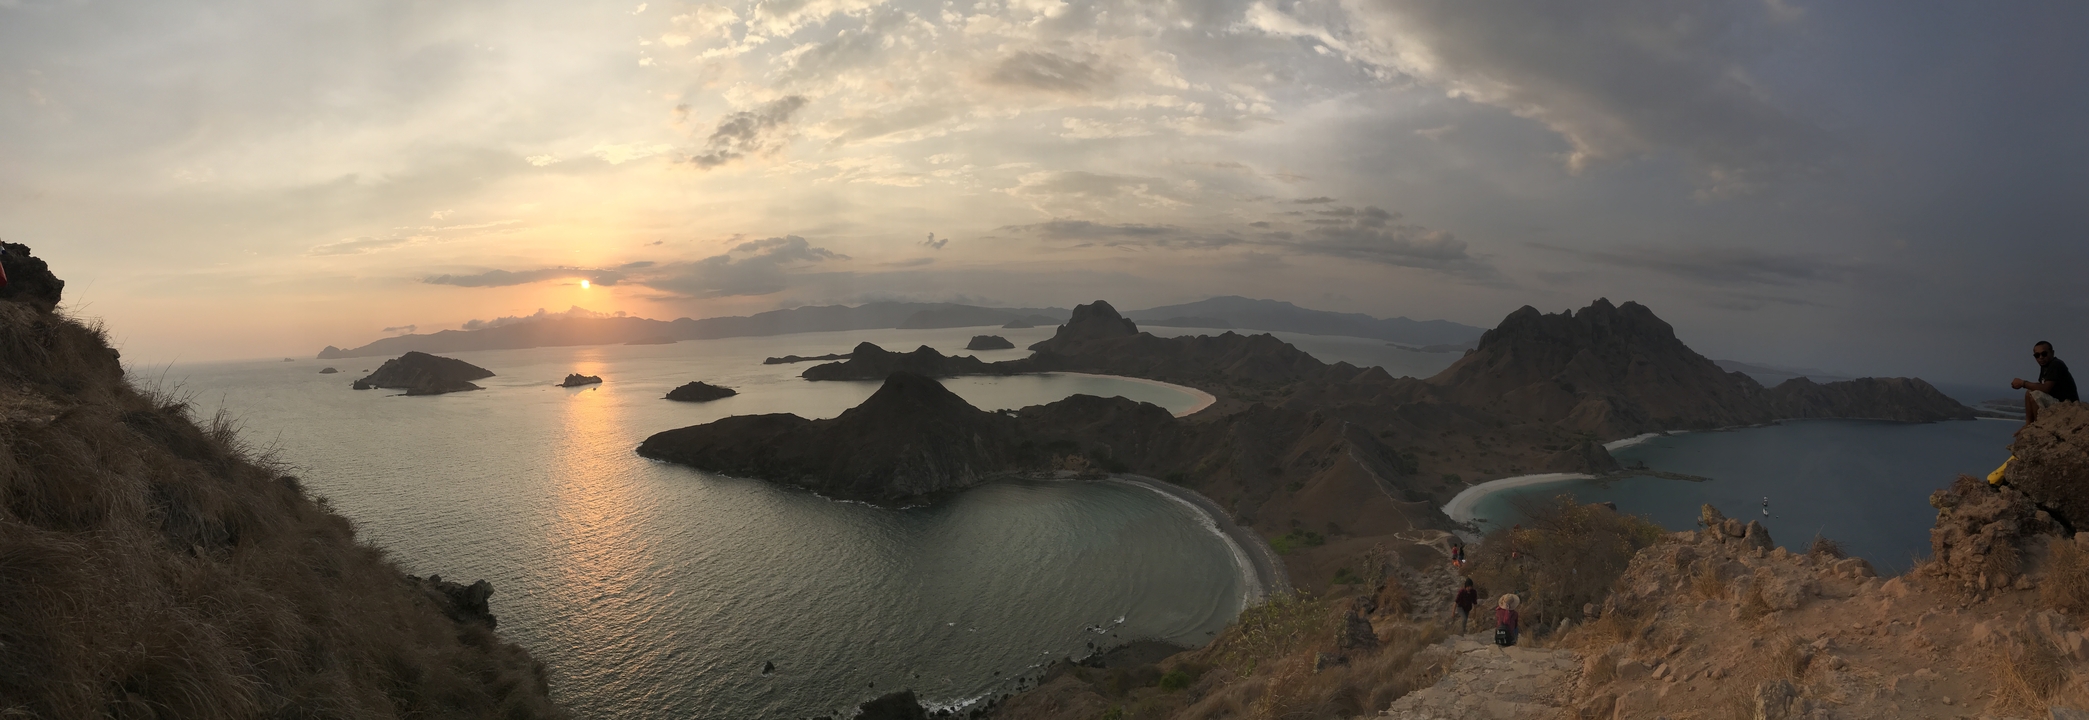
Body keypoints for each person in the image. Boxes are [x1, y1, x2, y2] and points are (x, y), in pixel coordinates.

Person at [2013, 341, 2079, 426]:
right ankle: (2029, 424)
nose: (2041, 357)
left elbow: (2046, 388)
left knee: (2035, 395)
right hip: (2057, 402)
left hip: (2066, 406)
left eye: (2044, 354)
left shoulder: (2056, 364)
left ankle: (2038, 425)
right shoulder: (2045, 367)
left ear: (2052, 353)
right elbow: (2041, 386)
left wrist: (2023, 383)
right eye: (2037, 355)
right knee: (2029, 393)